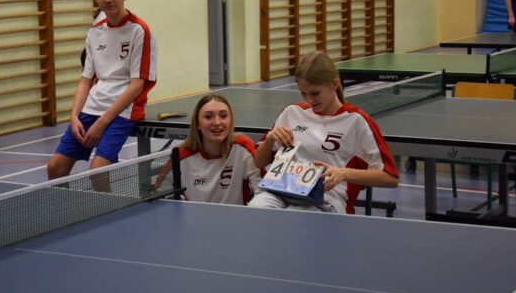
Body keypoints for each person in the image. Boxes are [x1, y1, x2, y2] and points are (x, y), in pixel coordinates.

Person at [249, 51, 399, 213]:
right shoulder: (291, 112)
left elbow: (390, 178)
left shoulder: (356, 121)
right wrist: (270, 139)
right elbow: (259, 162)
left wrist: (343, 173)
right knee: (256, 209)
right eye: (303, 93)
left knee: (294, 218)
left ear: (334, 84)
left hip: (325, 201)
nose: (309, 100)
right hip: (279, 191)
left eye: (315, 93)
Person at [47, 0, 157, 180]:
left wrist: (102, 123)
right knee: (55, 168)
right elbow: (85, 81)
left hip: (123, 110)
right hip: (92, 106)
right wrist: (74, 116)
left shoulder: (139, 30)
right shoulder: (94, 31)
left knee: (97, 173)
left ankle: (105, 203)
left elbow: (137, 86)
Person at [154, 94, 263, 205]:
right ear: (198, 124)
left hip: (236, 215)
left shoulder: (243, 148)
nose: (217, 122)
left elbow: (262, 192)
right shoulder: (180, 157)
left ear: (230, 121)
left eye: (223, 116)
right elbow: (156, 191)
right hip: (194, 216)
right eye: (208, 117)